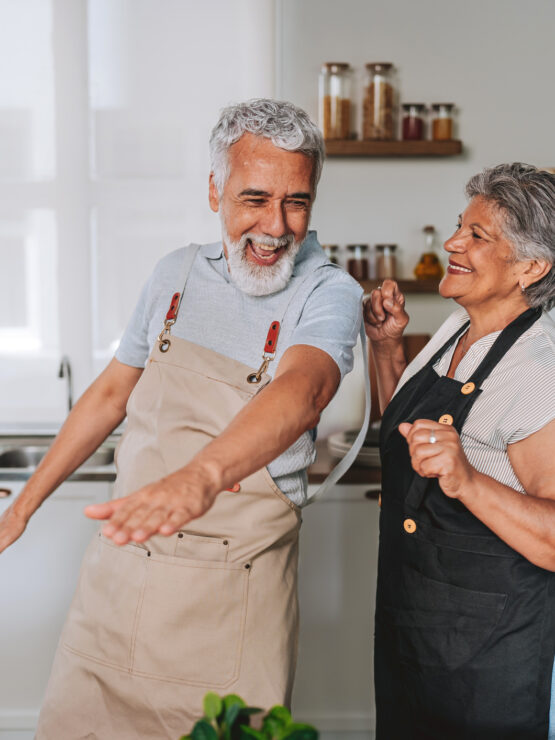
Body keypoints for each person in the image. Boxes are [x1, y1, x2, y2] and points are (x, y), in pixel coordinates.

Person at [0, 99, 363, 739]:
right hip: (118, 593)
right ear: (214, 190)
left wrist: (199, 478)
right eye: (254, 199)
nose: (276, 227)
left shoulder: (327, 292)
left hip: (232, 610)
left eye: (297, 201)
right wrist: (23, 506)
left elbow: (303, 391)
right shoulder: (175, 275)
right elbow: (111, 394)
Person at [364, 163, 555, 739]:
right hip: (413, 629)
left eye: (478, 236)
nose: (452, 243)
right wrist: (386, 348)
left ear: (531, 267)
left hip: (489, 656)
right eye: (459, 227)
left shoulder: (538, 369)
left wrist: (467, 479)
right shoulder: (455, 327)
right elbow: (409, 435)